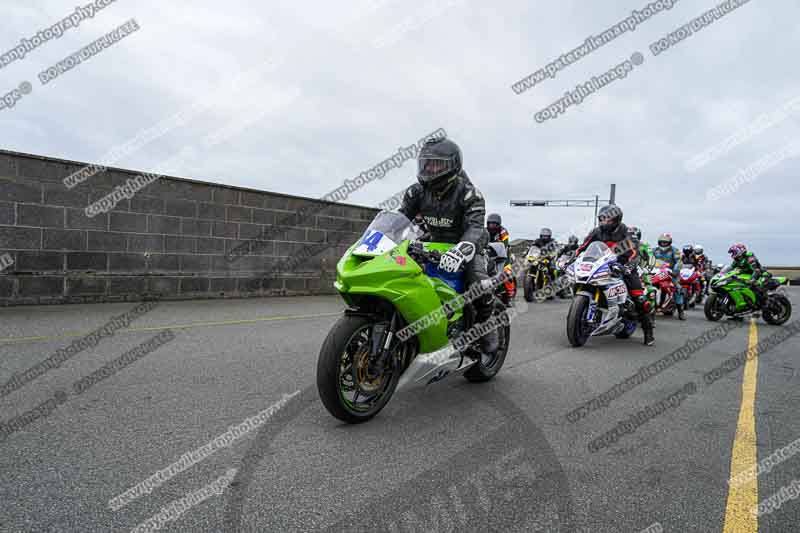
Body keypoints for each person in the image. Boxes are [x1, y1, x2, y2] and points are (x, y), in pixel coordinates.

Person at [399, 136, 498, 353]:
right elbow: (400, 219)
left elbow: (475, 227)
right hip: (434, 241)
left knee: (477, 283)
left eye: (437, 164)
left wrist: (460, 251)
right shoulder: (416, 192)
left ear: (452, 165)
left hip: (468, 242)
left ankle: (486, 324)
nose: (430, 168)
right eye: (427, 163)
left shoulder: (469, 193)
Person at [573, 205, 655, 346]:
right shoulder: (597, 232)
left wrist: (627, 267)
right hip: (603, 264)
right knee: (585, 281)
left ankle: (648, 333)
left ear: (617, 220)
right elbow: (583, 247)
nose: (604, 223)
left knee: (639, 299)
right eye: (602, 219)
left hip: (624, 266)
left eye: (608, 220)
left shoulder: (626, 232)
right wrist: (570, 259)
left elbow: (634, 253)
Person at [652, 233, 685, 320]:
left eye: (665, 242)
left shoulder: (675, 250)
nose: (663, 244)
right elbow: (649, 259)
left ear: (669, 242)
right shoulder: (654, 250)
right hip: (656, 271)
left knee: (677, 288)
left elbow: (679, 261)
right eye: (662, 242)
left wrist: (675, 271)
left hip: (671, 272)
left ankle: (680, 311)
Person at [486, 213, 515, 300]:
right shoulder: (484, 230)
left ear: (498, 224)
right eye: (490, 224)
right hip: (489, 253)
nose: (492, 226)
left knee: (507, 273)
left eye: (494, 224)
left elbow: (505, 244)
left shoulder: (503, 231)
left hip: (504, 255)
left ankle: (510, 295)